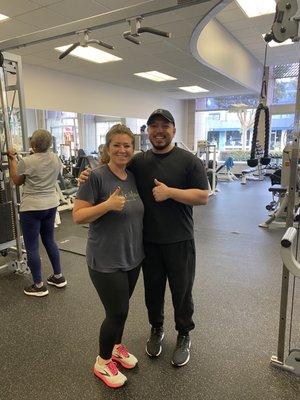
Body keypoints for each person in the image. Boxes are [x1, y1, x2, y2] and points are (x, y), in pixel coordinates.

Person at [79, 109, 209, 367]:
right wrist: (87, 176)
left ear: (173, 130)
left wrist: (171, 192)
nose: (159, 131)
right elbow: (113, 169)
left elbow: (203, 196)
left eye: (165, 126)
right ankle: (156, 328)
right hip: (146, 243)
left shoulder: (189, 161)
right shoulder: (139, 161)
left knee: (182, 291)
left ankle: (184, 334)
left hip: (179, 239)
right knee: (153, 292)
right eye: (153, 126)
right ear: (147, 132)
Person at [73, 124, 144, 388]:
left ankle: (116, 347)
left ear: (133, 149)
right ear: (107, 148)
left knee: (121, 312)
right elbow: (78, 216)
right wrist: (107, 205)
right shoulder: (95, 177)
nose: (122, 150)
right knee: (116, 311)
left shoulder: (133, 176)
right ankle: (102, 362)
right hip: (105, 258)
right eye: (117, 145)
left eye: (127, 145)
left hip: (133, 257)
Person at [7, 129, 67, 297]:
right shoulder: (56, 158)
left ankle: (39, 285)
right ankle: (58, 277)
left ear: (33, 144)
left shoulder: (27, 161)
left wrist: (12, 159)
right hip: (50, 205)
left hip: (32, 208)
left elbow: (17, 181)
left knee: (32, 246)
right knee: (49, 240)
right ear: (50, 144)